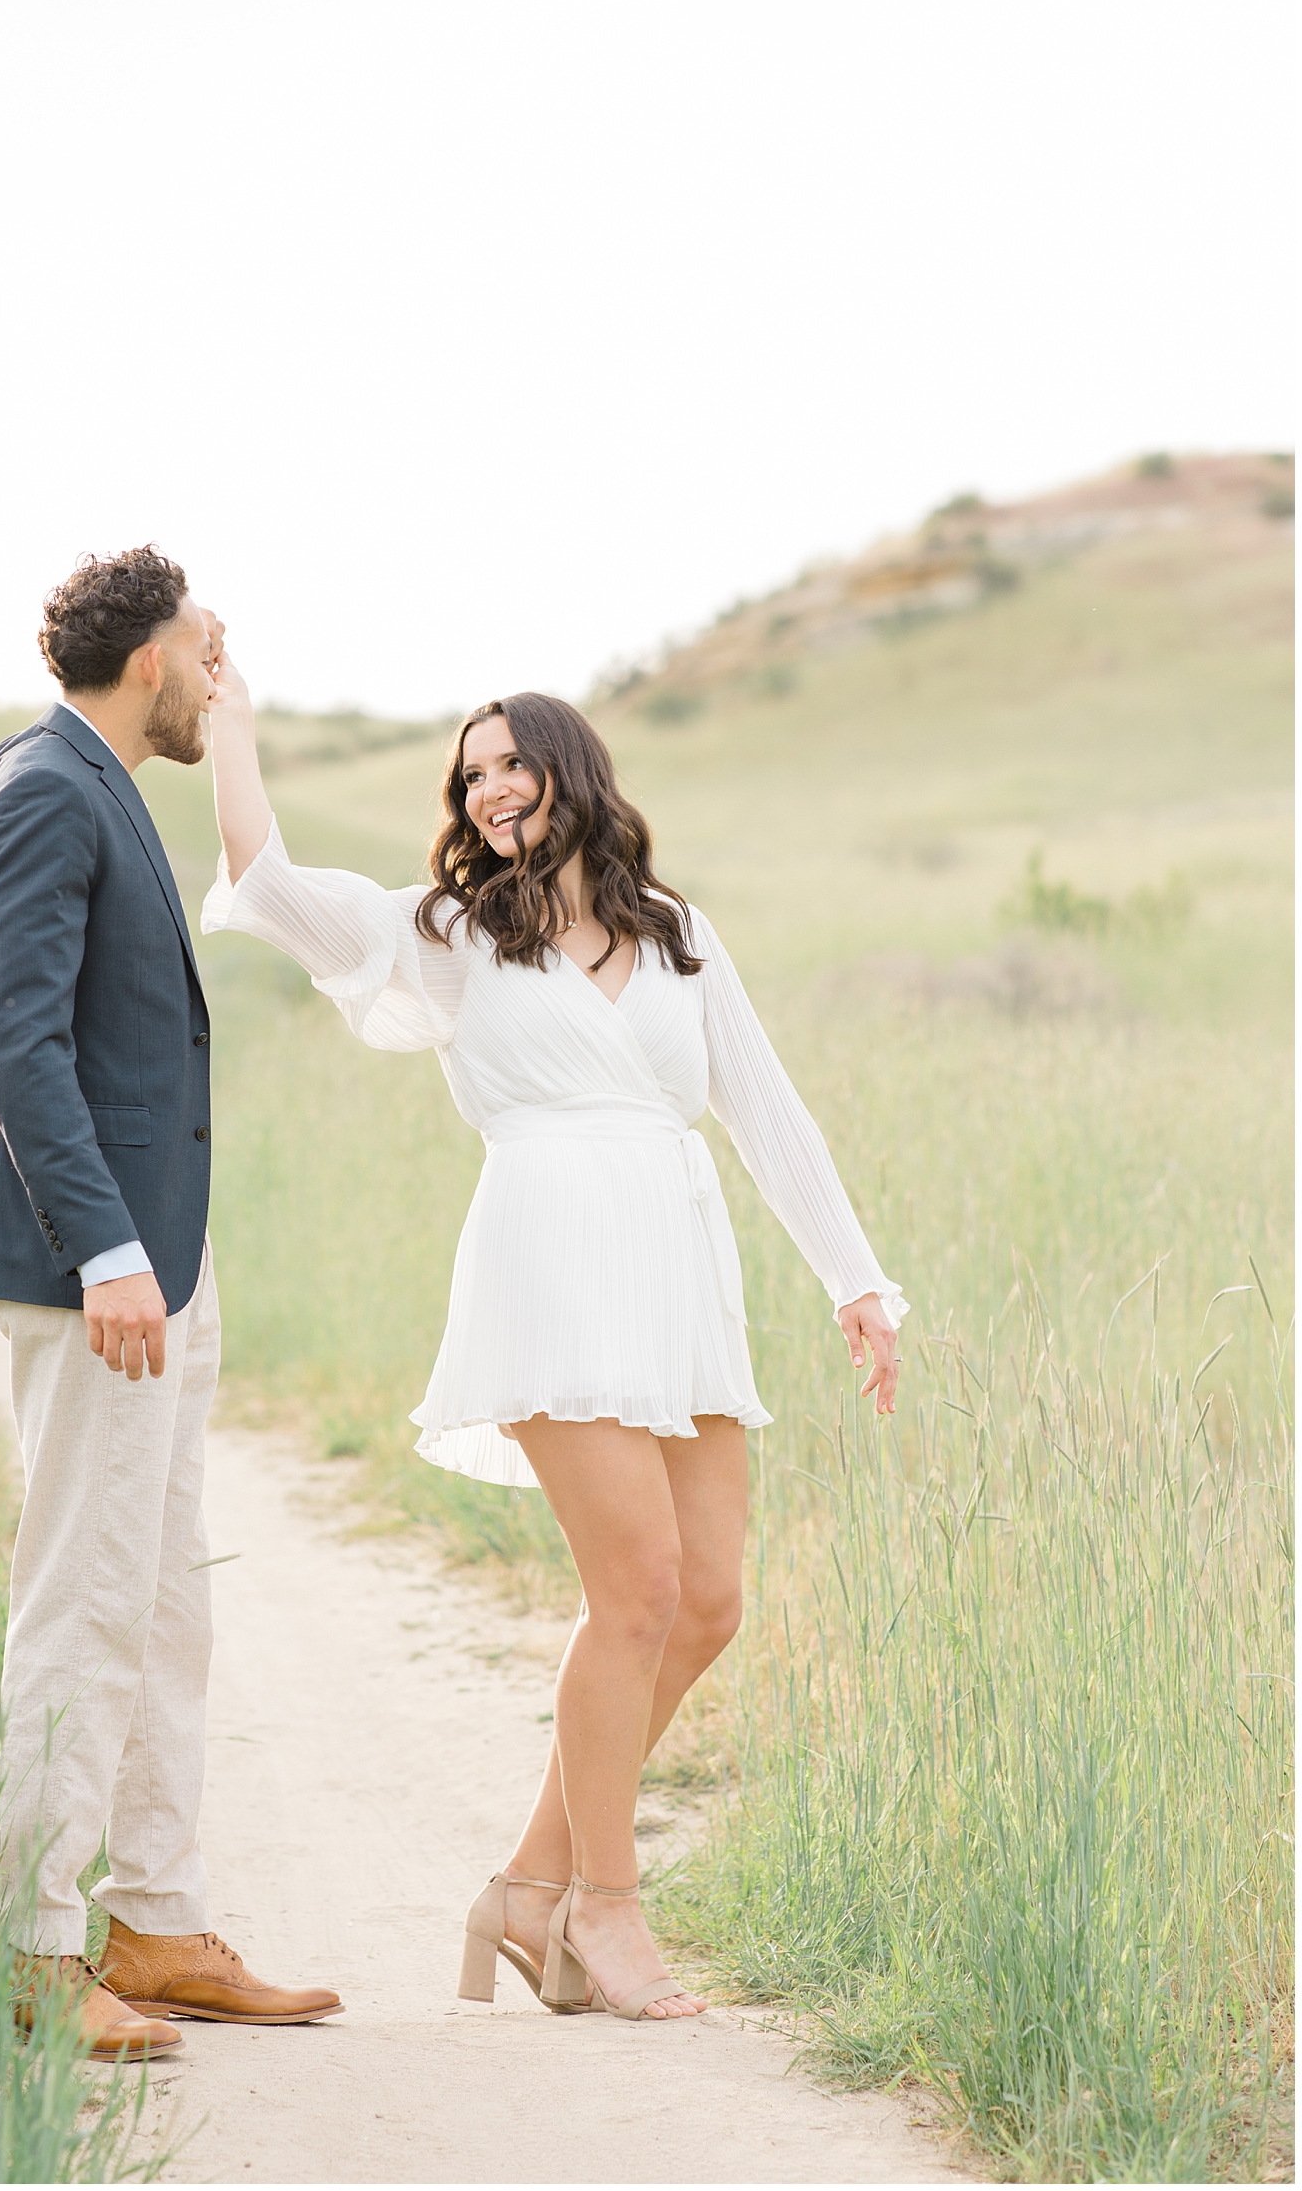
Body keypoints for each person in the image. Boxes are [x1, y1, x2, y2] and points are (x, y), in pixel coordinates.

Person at [201, 672, 904, 2023]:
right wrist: (233, 727)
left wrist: (855, 1280)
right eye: (470, 775)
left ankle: (528, 1883)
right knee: (636, 1585)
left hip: (677, 1273)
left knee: (706, 1603)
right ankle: (606, 1907)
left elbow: (766, 1110)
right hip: (547, 1266)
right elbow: (273, 882)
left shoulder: (683, 934)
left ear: (570, 771)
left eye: (509, 763)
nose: (489, 789)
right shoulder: (457, 932)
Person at [0, 547, 341, 2061]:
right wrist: (109, 1247)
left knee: (166, 1600)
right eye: (205, 646)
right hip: (102, 1275)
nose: (218, 669)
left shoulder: (101, 777)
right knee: (86, 1598)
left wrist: (157, 1258)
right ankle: (40, 1947)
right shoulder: (48, 784)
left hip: (163, 1273)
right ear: (147, 660)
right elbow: (20, 1042)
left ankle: (159, 1921)